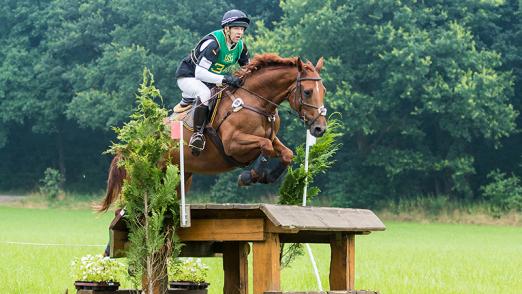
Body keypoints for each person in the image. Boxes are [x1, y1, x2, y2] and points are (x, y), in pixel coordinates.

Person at [175, 9, 250, 156]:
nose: (240, 32)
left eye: (242, 29)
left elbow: (248, 69)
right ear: (226, 29)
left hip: (210, 79)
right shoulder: (213, 43)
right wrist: (225, 78)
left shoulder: (241, 46)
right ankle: (197, 135)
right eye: (236, 28)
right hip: (189, 77)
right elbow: (199, 73)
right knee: (204, 93)